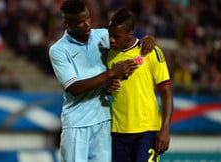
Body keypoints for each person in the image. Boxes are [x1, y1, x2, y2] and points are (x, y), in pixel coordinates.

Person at [48, 0, 155, 161]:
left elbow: (128, 40)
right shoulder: (58, 50)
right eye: (81, 22)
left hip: (104, 121)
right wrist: (111, 73)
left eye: (88, 18)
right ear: (67, 23)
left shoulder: (102, 36)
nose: (87, 24)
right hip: (77, 123)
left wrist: (147, 39)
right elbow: (74, 88)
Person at [106, 8, 173, 162]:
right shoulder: (108, 54)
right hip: (118, 131)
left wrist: (165, 129)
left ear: (130, 34)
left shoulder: (150, 51)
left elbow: (166, 92)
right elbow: (105, 86)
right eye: (110, 36)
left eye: (117, 37)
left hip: (147, 131)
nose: (112, 40)